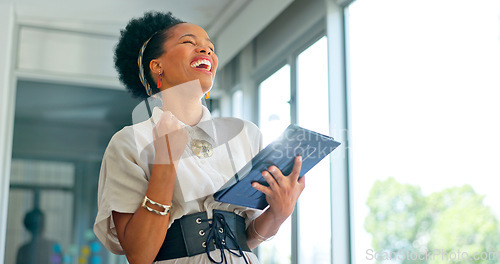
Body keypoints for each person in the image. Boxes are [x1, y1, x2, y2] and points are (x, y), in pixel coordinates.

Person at [93, 11, 306, 264]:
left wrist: (280, 212)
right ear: (157, 66)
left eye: (210, 47)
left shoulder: (246, 134)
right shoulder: (129, 142)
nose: (205, 51)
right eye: (189, 42)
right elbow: (139, 255)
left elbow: (248, 238)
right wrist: (165, 162)